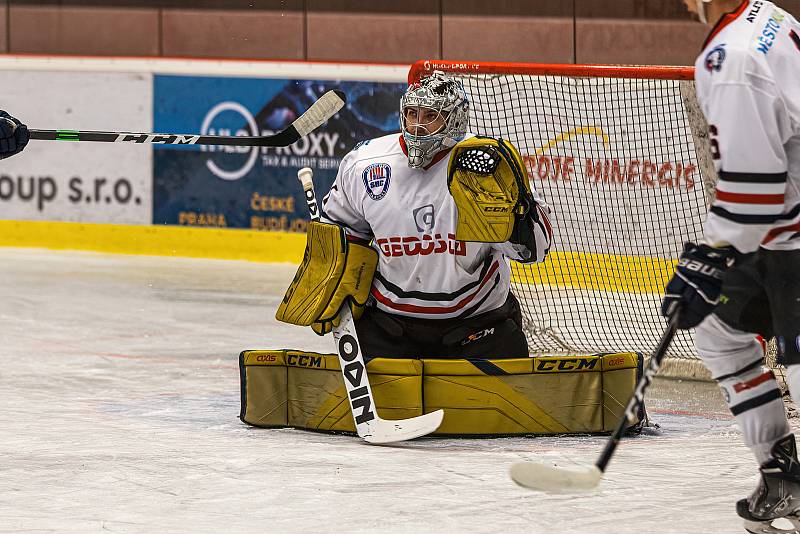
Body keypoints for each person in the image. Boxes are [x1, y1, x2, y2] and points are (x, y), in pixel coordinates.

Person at [663, 1, 800, 531]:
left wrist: (705, 259)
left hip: (784, 233)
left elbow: (753, 193)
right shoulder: (766, 13)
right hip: (778, 235)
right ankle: (782, 471)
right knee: (719, 326)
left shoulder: (732, 57)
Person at [318, 71, 553, 359]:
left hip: (477, 325)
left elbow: (535, 250)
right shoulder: (366, 163)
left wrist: (515, 214)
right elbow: (340, 232)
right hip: (389, 326)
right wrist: (327, 278)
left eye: (430, 115)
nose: (417, 126)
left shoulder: (486, 163)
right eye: (411, 113)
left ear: (455, 119)